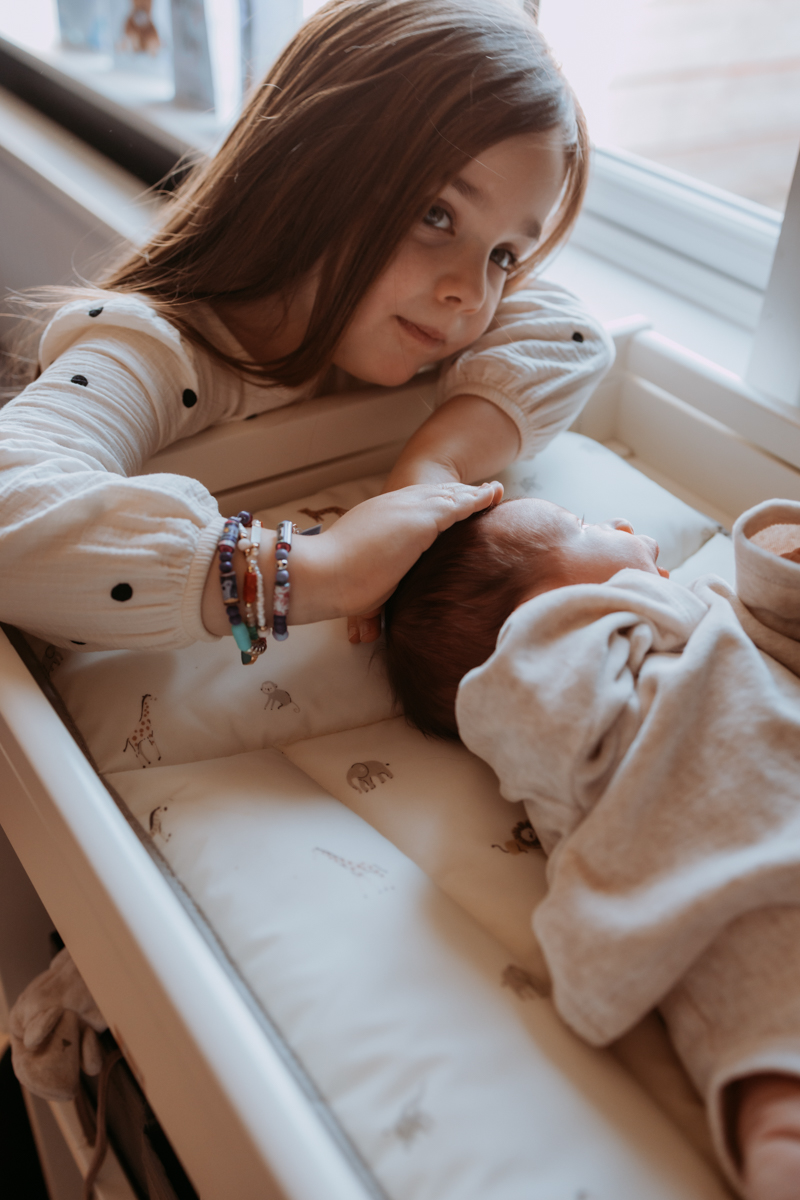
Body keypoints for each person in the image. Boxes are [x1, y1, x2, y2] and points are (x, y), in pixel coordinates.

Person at [0, 0, 612, 657]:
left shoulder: (405, 326)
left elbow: (571, 335)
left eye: (504, 256)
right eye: (437, 214)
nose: (470, 292)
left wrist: (436, 465)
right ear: (309, 169)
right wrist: (326, 569)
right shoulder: (153, 350)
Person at [385, 495, 800, 1200]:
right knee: (780, 1108)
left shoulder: (696, 618)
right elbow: (524, 697)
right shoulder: (533, 677)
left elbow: (772, 640)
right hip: (730, 905)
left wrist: (776, 569)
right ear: (542, 605)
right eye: (584, 528)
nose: (624, 527)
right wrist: (590, 608)